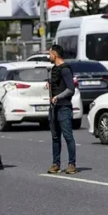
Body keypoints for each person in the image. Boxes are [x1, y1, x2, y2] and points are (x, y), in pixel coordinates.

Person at [47, 44, 78, 174]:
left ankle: (71, 164)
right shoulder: (54, 69)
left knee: (68, 136)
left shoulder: (65, 69)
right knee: (55, 137)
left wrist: (57, 97)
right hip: (53, 108)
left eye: (50, 54)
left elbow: (71, 89)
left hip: (64, 107)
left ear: (55, 55)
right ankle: (56, 164)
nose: (49, 56)